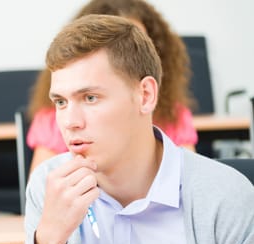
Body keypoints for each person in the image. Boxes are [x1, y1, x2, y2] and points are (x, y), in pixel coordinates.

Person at [6, 14, 254, 244]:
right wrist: (49, 241)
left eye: (90, 98)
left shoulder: (224, 197)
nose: (70, 122)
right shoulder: (50, 187)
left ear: (146, 95)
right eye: (61, 102)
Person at [26, 0, 198, 173]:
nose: (71, 122)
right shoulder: (57, 121)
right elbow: (43, 185)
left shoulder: (173, 115)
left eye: (134, 44)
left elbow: (193, 182)